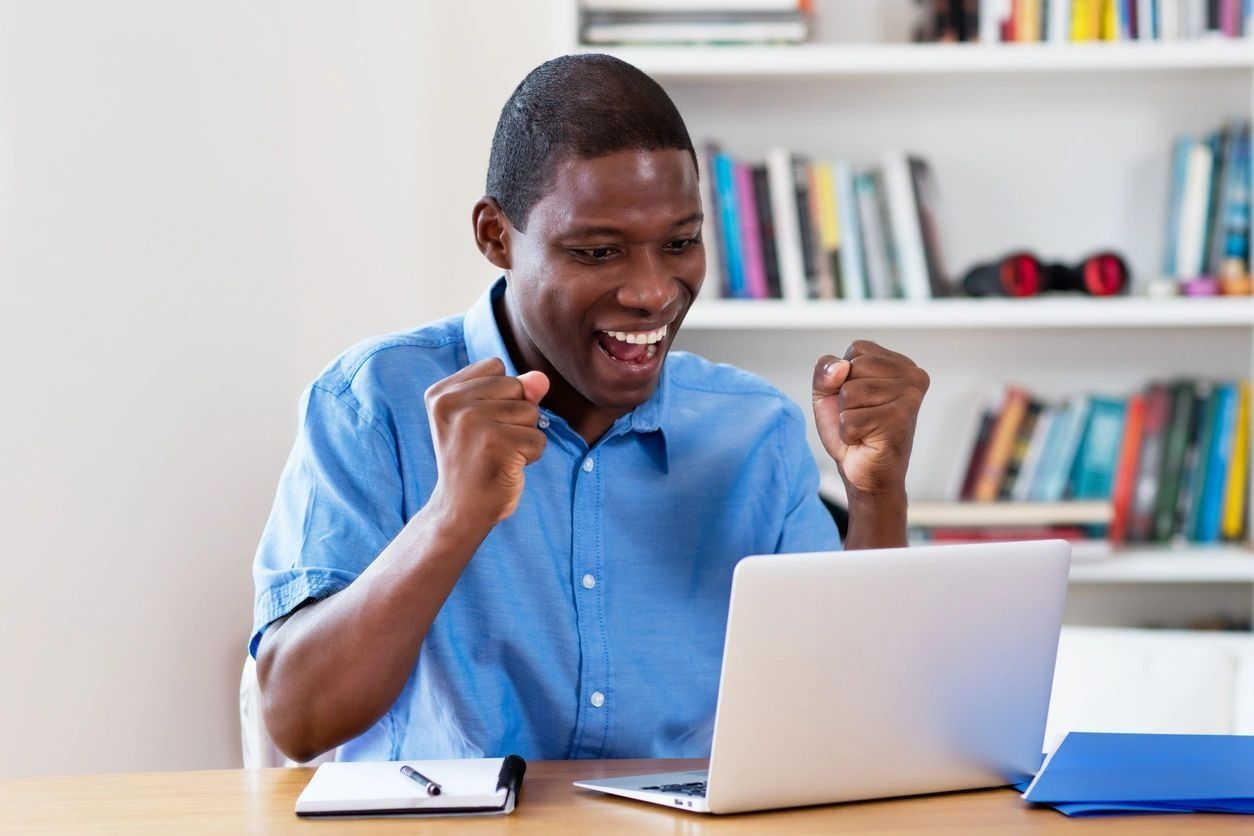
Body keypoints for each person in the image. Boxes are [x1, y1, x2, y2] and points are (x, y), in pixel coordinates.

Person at [252, 53, 930, 764]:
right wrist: (452, 517)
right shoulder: (372, 402)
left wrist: (877, 494)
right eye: (599, 250)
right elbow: (297, 722)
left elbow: (853, 717)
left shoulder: (754, 429)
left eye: (680, 243)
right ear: (496, 236)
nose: (652, 291)